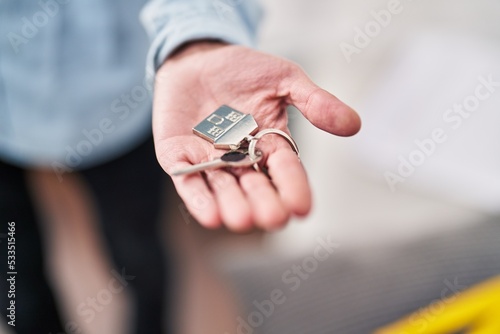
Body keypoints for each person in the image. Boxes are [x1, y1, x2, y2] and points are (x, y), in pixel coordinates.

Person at [0, 0, 361, 333]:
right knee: (15, 272)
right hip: (8, 122)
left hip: (127, 107)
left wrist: (195, 38)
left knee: (138, 252)